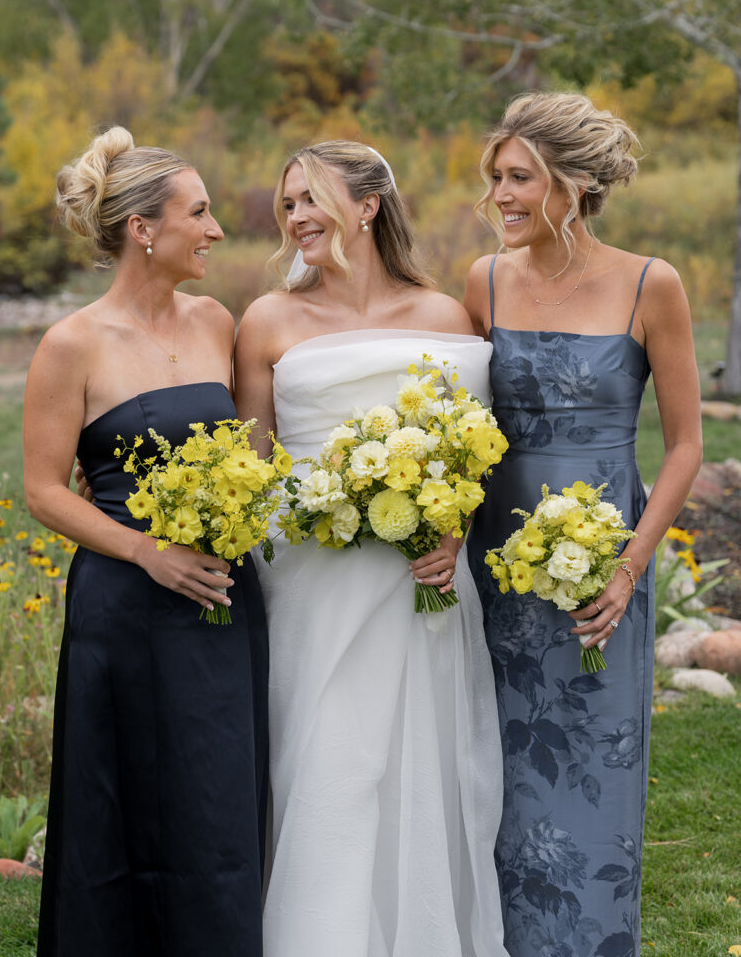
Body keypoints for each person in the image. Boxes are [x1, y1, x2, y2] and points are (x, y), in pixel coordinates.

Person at [234, 140, 508, 957]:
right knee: (328, 767)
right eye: (287, 204)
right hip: (311, 580)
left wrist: (452, 522)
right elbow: (254, 468)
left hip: (423, 578)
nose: (296, 217)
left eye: (311, 197)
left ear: (368, 206)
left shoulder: (444, 317)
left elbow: (475, 452)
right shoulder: (267, 320)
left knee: (423, 768)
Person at [463, 93, 703, 957]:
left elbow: (683, 447)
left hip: (605, 573)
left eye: (519, 178)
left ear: (572, 184)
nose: (501, 196)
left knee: (595, 784)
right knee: (497, 785)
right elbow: (463, 431)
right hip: (496, 576)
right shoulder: (483, 280)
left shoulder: (651, 283)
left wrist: (630, 569)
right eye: (497, 178)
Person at [24, 127, 268, 957]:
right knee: (123, 800)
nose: (216, 230)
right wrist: (145, 551)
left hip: (222, 603)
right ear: (144, 228)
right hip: (124, 607)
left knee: (220, 802)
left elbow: (249, 454)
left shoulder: (217, 322)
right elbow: (45, 489)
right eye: (199, 213)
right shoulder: (73, 343)